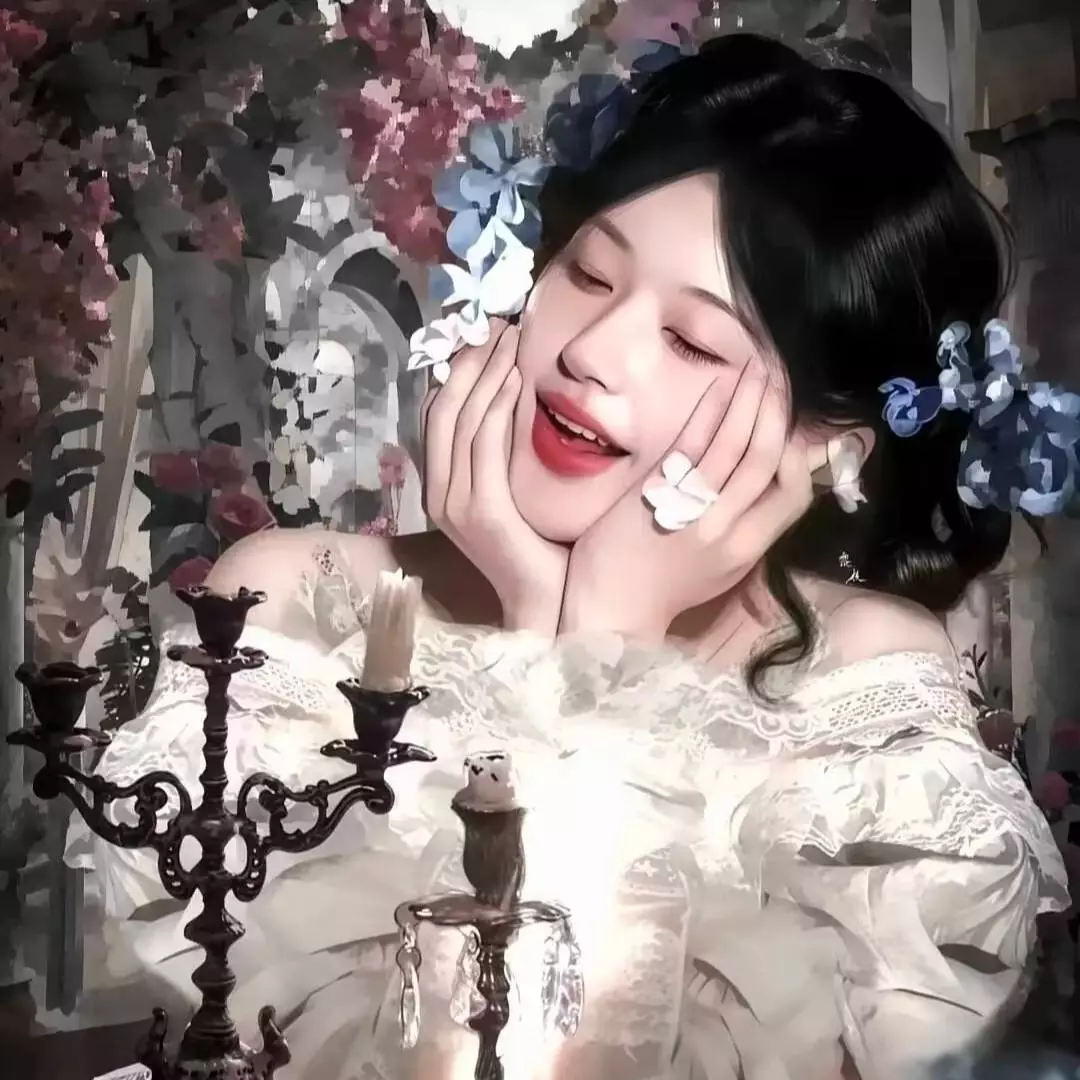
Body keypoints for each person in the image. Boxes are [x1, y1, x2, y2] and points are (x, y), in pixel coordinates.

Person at [69, 33, 1069, 1080]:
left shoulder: (871, 698)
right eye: (589, 274)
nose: (589, 353)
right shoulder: (287, 608)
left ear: (826, 451)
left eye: (693, 341)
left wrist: (602, 648)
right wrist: (548, 634)